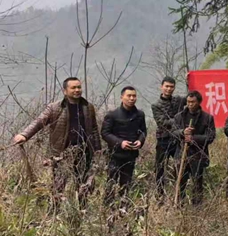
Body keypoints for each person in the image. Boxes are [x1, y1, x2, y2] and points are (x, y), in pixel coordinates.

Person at [13, 77, 101, 206]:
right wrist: (24, 135)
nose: (77, 90)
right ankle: (54, 211)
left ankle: (82, 212)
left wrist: (97, 150)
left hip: (84, 152)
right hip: (61, 154)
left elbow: (93, 129)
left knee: (83, 186)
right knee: (59, 186)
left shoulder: (88, 107)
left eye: (79, 87)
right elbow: (39, 122)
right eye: (73, 88)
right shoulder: (55, 107)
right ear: (65, 91)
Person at [102, 86, 147, 205]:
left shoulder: (140, 115)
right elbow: (105, 133)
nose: (132, 98)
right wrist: (120, 143)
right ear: (122, 97)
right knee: (111, 182)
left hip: (131, 155)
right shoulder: (112, 115)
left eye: (134, 96)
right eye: (129, 96)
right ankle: (108, 207)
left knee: (126, 183)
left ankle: (123, 207)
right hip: (115, 155)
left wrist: (140, 141)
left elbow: (143, 131)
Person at [173, 91, 216, 205]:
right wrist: (183, 132)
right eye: (188, 102)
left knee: (197, 182)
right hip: (181, 154)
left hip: (198, 155)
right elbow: (173, 133)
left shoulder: (207, 118)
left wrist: (193, 138)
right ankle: (179, 205)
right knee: (180, 181)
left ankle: (197, 207)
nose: (190, 104)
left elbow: (210, 137)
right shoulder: (179, 116)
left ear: (199, 102)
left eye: (193, 102)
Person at [151, 76, 185, 202]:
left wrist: (189, 81)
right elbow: (162, 123)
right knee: (160, 168)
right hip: (163, 139)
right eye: (167, 86)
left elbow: (191, 97)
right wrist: (178, 120)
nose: (169, 89)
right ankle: (160, 196)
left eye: (171, 87)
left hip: (178, 139)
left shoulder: (178, 100)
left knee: (180, 166)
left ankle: (179, 196)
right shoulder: (156, 105)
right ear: (162, 87)